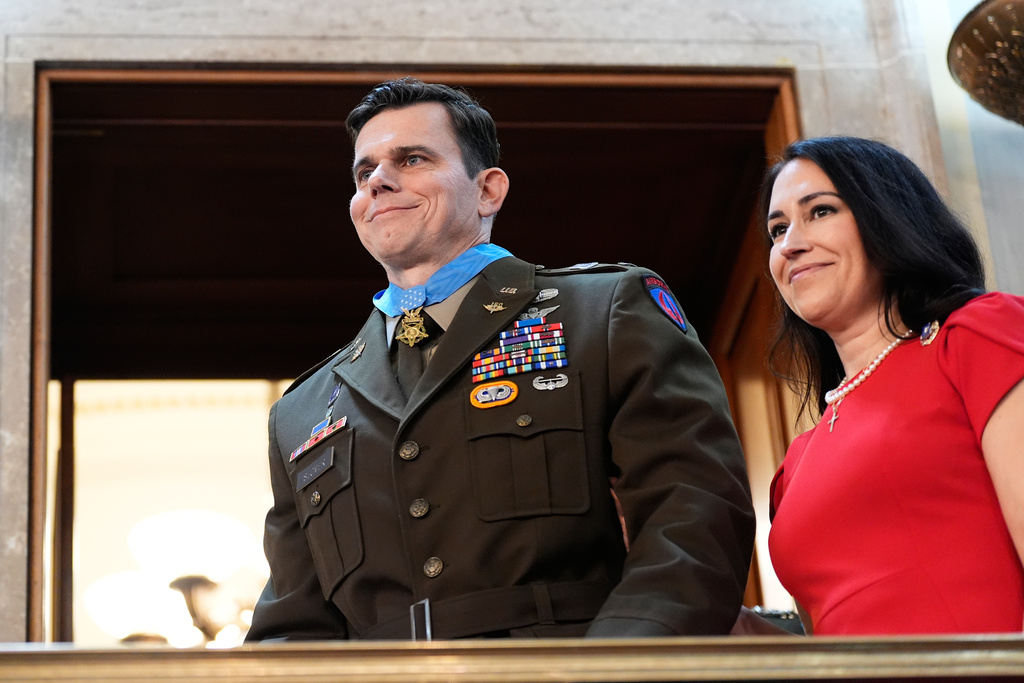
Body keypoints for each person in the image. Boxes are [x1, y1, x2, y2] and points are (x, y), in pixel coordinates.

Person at [245, 78, 755, 641]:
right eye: (364, 172)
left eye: (412, 159)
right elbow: (291, 628)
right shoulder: (302, 409)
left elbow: (693, 520)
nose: (379, 181)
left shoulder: (604, 311)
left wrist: (610, 673)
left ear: (488, 190)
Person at [762, 136, 1024, 635]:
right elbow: (824, 647)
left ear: (887, 217)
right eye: (777, 229)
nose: (790, 244)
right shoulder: (793, 468)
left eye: (820, 211)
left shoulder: (978, 336)